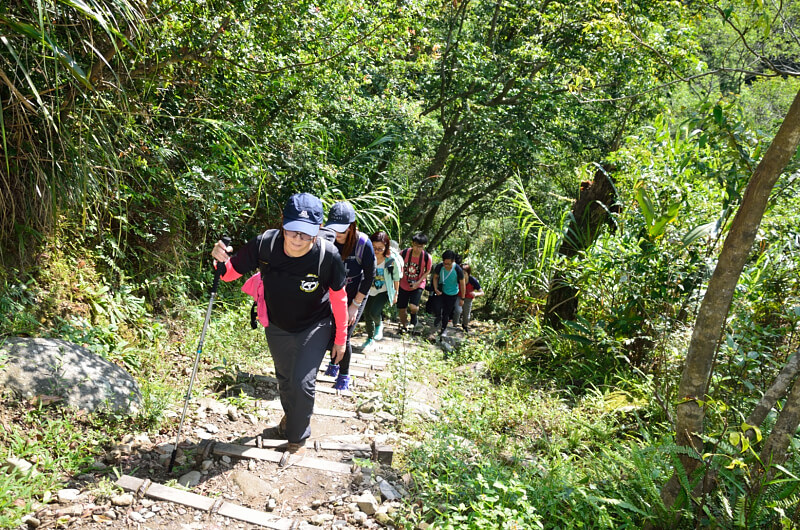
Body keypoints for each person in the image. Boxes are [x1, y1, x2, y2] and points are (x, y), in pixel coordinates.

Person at [211, 193, 348, 455]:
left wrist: (341, 338)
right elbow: (228, 274)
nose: (298, 238)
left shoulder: (327, 256)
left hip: (315, 324)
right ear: (283, 223)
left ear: (318, 231)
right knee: (285, 379)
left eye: (306, 234)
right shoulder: (265, 244)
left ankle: (297, 439)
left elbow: (339, 297)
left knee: (302, 382)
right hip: (276, 323)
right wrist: (219, 259)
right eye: (293, 230)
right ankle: (289, 422)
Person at [322, 202, 376, 390]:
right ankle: (333, 362)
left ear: (352, 227)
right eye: (334, 230)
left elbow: (369, 277)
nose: (337, 235)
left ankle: (344, 375)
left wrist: (354, 306)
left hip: (356, 293)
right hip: (332, 293)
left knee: (343, 333)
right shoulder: (326, 238)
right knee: (328, 330)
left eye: (342, 231)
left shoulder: (363, 244)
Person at [362, 231, 403, 349]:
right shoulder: (368, 257)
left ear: (386, 247)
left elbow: (396, 277)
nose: (376, 251)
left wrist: (396, 293)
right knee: (367, 314)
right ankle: (370, 338)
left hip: (383, 291)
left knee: (374, 312)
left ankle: (379, 325)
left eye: (380, 248)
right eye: (374, 247)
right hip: (368, 289)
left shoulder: (389, 260)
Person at [397, 233, 432, 334]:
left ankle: (414, 316)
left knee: (413, 306)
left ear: (424, 246)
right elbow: (397, 264)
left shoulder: (426, 257)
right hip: (403, 283)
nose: (417, 248)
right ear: (412, 243)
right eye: (416, 245)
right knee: (402, 308)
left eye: (420, 246)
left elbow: (427, 271)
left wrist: (418, 283)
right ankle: (404, 326)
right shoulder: (404, 253)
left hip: (418, 283)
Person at [431, 250, 466, 338]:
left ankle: (443, 328)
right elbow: (435, 277)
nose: (446, 265)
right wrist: (435, 288)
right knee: (437, 307)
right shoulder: (440, 267)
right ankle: (438, 316)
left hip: (452, 293)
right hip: (440, 290)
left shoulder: (457, 269)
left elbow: (462, 284)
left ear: (453, 261)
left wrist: (462, 298)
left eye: (448, 264)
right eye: (445, 263)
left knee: (447, 312)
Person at [452, 263, 484, 332]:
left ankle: (465, 326)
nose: (462, 275)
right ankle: (455, 324)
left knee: (466, 315)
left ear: (468, 273)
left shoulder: (472, 280)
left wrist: (476, 293)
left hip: (468, 299)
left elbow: (482, 293)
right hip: (459, 296)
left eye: (464, 273)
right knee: (458, 310)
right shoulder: (457, 278)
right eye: (461, 273)